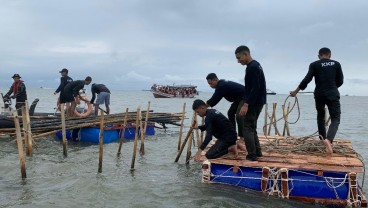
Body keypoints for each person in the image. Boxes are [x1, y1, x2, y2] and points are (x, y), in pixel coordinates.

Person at [290, 47, 344, 155]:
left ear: (319, 56)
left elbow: (307, 79)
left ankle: (322, 140)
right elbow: (340, 81)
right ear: (330, 55)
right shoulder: (336, 64)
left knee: (320, 116)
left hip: (319, 94)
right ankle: (329, 140)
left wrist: (296, 91)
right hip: (332, 93)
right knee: (335, 118)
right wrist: (332, 87)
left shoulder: (314, 64)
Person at [235, 45, 267, 161]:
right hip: (259, 101)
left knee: (247, 127)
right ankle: (258, 152)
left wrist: (246, 104)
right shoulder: (256, 65)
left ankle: (252, 155)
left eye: (239, 58)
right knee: (252, 127)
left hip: (253, 102)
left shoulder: (252, 67)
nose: (238, 61)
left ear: (245, 54)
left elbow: (255, 88)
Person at [206, 73, 245, 139]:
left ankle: (242, 136)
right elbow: (215, 98)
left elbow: (214, 99)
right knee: (230, 113)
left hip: (245, 97)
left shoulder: (221, 85)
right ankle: (233, 133)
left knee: (239, 116)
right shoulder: (221, 85)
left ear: (215, 80)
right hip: (238, 99)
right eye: (209, 84)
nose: (210, 86)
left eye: (210, 83)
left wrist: (203, 106)